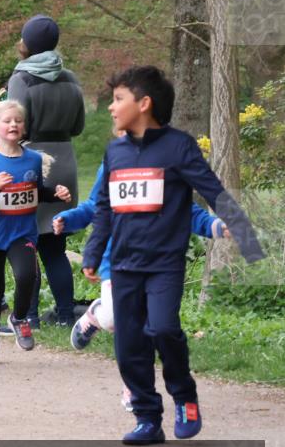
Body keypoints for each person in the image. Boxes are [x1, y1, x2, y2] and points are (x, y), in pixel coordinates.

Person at [82, 66, 263, 445]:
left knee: (163, 328)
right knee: (129, 343)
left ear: (144, 104)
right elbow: (104, 207)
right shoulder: (115, 151)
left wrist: (245, 236)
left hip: (164, 263)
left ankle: (184, 396)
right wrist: (93, 252)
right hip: (125, 264)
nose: (112, 108)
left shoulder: (178, 146)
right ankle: (147, 417)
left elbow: (213, 191)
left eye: (118, 100)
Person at [54, 160, 227, 411]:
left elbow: (186, 210)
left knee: (146, 325)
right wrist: (68, 219)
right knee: (114, 319)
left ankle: (134, 386)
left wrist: (215, 226)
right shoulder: (113, 163)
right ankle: (95, 316)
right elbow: (96, 206)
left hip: (159, 263)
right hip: (119, 261)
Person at [0, 100, 70, 364]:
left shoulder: (33, 159)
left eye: (18, 121)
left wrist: (55, 193)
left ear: (24, 127)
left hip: (22, 233)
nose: (13, 124)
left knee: (28, 276)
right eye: (7, 121)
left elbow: (34, 191)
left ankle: (19, 317)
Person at [7, 14, 85, 328]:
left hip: (32, 160)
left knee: (28, 243)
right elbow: (78, 126)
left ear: (26, 43)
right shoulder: (70, 79)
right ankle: (66, 315)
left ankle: (29, 316)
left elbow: (14, 127)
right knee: (55, 246)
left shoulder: (21, 79)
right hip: (65, 160)